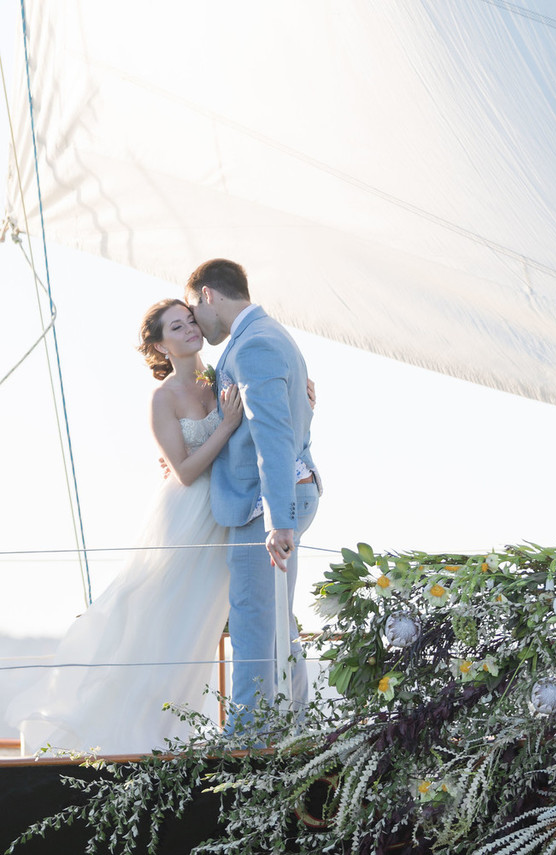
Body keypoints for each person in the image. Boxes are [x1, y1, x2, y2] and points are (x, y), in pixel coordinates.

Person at [7, 299, 243, 755]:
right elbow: (185, 471)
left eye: (191, 319)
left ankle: (173, 731)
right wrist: (226, 426)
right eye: (177, 325)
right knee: (159, 623)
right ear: (160, 344)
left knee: (197, 626)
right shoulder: (163, 398)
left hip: (219, 519)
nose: (190, 328)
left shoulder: (219, 380)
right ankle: (130, 735)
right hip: (185, 520)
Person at [185, 259, 321, 734]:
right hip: (273, 499)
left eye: (194, 310)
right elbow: (287, 417)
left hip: (261, 505)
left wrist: (276, 521)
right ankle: (295, 729)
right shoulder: (268, 335)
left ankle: (247, 742)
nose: (197, 325)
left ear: (208, 296)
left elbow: (272, 434)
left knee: (250, 623)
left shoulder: (257, 343)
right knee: (276, 624)